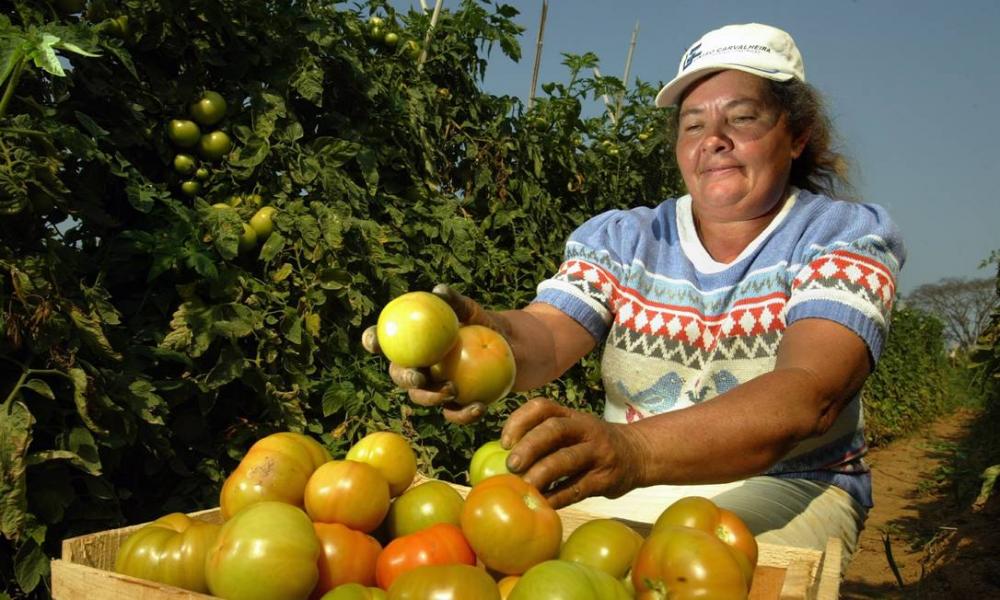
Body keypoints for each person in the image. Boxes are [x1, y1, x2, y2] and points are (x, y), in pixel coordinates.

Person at [363, 22, 904, 568]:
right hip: (631, 481)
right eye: (693, 125)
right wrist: (482, 337)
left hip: (788, 483)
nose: (713, 139)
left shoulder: (842, 236)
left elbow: (810, 394)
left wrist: (633, 450)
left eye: (742, 118)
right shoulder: (624, 239)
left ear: (797, 134)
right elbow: (548, 336)